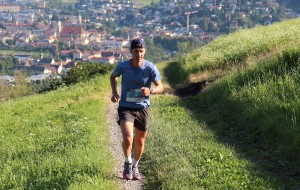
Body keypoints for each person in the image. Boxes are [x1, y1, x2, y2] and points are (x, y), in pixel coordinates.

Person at [110, 38, 163, 180]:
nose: (139, 54)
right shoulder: (123, 66)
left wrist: (150, 90)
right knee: (128, 138)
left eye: (141, 51)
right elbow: (113, 76)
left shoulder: (150, 68)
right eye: (136, 51)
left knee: (140, 141)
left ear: (144, 51)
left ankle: (135, 165)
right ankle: (127, 163)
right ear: (131, 52)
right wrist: (115, 93)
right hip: (126, 107)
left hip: (142, 108)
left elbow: (161, 87)